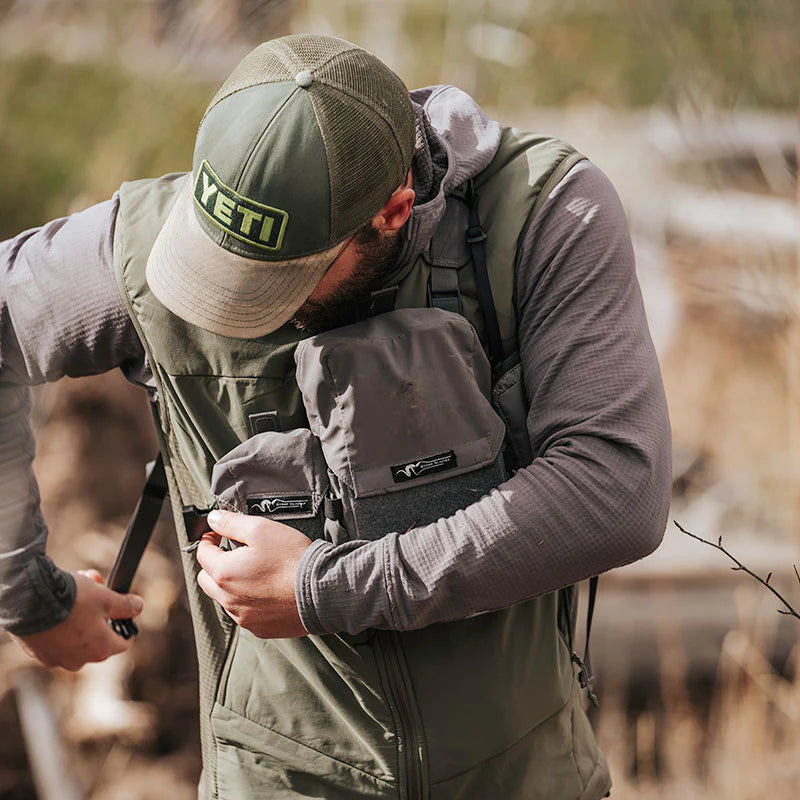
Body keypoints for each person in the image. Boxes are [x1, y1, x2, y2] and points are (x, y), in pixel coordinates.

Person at [0, 33, 671, 799]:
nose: (233, 299)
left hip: (523, 773)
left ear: (393, 211)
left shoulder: (546, 214)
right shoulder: (147, 241)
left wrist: (327, 589)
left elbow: (617, 489)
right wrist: (28, 595)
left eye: (274, 281)